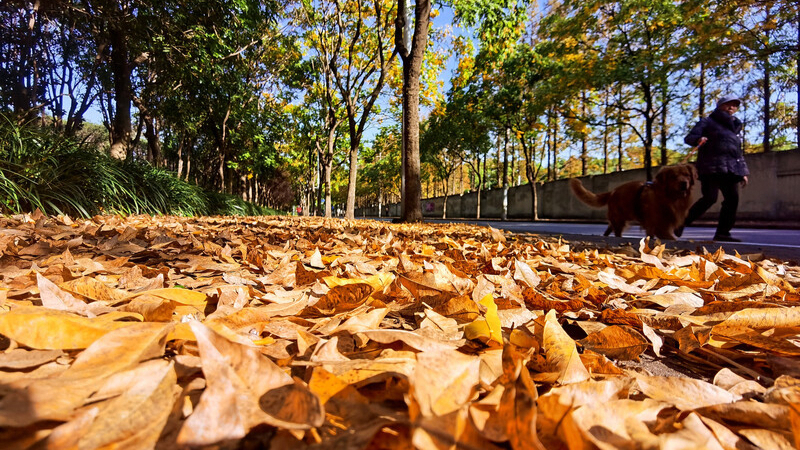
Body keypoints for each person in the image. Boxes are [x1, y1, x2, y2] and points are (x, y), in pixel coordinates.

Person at [679, 94, 749, 242]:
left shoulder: (735, 127)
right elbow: (689, 138)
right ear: (720, 106)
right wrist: (699, 139)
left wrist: (743, 172)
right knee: (709, 198)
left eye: (735, 105)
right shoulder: (707, 122)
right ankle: (679, 224)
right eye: (728, 104)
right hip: (710, 167)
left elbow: (736, 152)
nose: (731, 108)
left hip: (731, 169)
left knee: (732, 199)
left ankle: (723, 233)